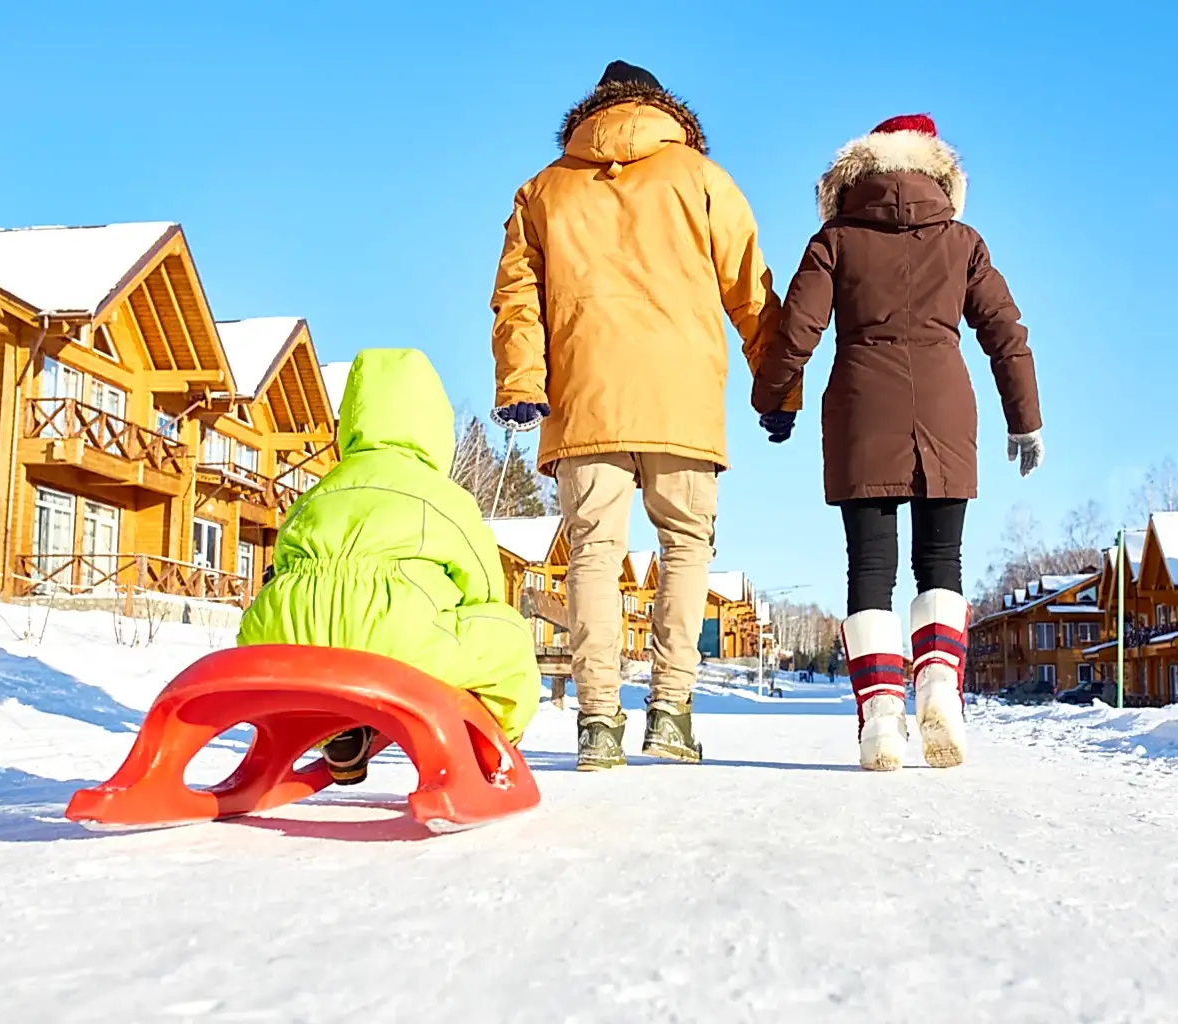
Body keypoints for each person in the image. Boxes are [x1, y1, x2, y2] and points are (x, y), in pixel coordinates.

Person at [490, 61, 791, 770]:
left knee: (593, 555)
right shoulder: (703, 181)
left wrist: (522, 383)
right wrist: (776, 389)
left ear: (591, 111)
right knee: (687, 549)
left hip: (584, 401)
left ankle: (597, 724)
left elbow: (516, 298)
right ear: (665, 108)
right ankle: (671, 714)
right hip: (682, 400)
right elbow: (752, 293)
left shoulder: (544, 189)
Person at [752, 115, 1043, 772]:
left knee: (870, 569)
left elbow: (797, 329)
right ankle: (939, 681)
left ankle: (881, 716)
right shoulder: (962, 241)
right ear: (939, 173)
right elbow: (1005, 332)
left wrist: (774, 400)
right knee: (942, 559)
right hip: (945, 405)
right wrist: (1025, 419)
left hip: (861, 408)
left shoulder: (835, 240)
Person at [237, 349, 540, 785]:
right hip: (397, 639)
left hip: (287, 636)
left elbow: (282, 562)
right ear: (434, 427)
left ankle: (341, 733)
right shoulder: (442, 496)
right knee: (507, 634)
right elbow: (484, 587)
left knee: (333, 629)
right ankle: (492, 747)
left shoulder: (318, 491)